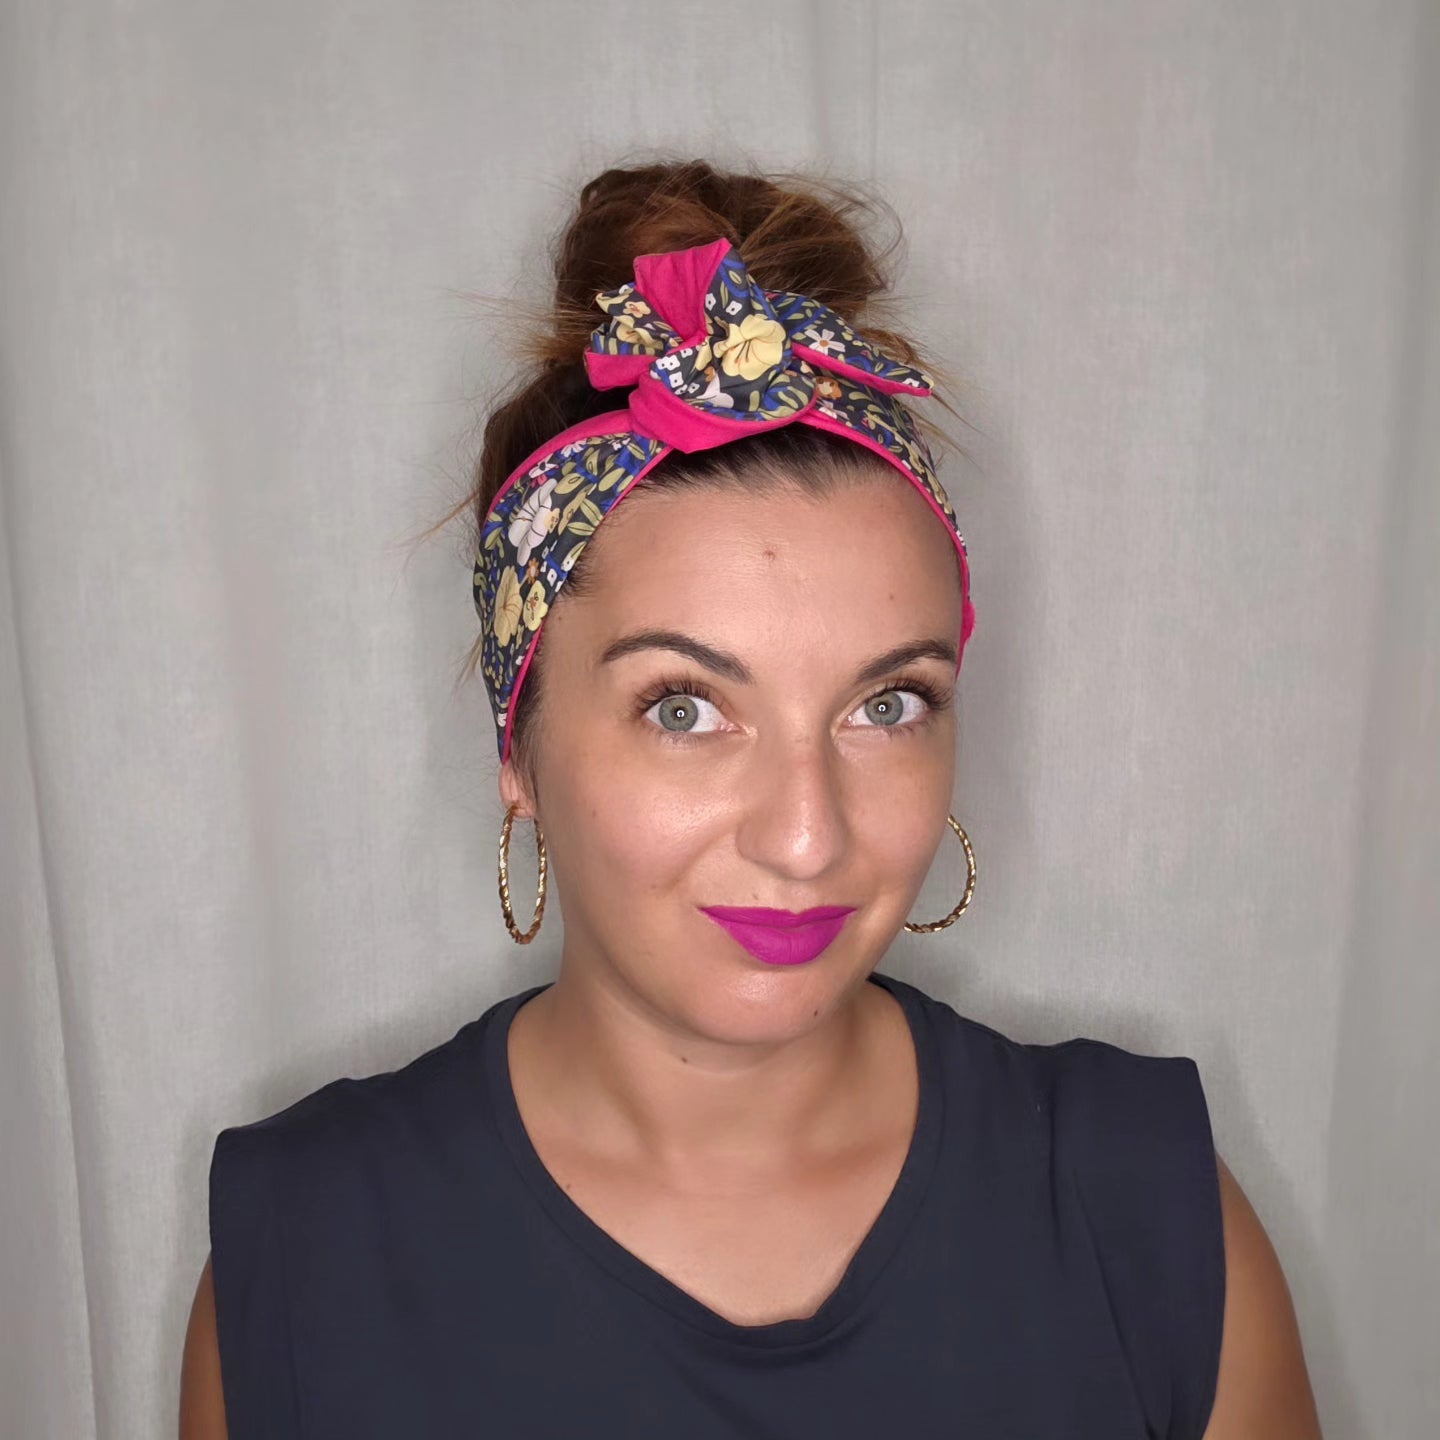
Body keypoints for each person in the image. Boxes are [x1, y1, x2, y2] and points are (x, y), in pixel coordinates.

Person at [179, 159, 1324, 1438]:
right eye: (684, 708)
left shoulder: (1146, 1209)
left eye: (886, 705)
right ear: (519, 746)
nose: (806, 835)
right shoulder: (305, 1255)